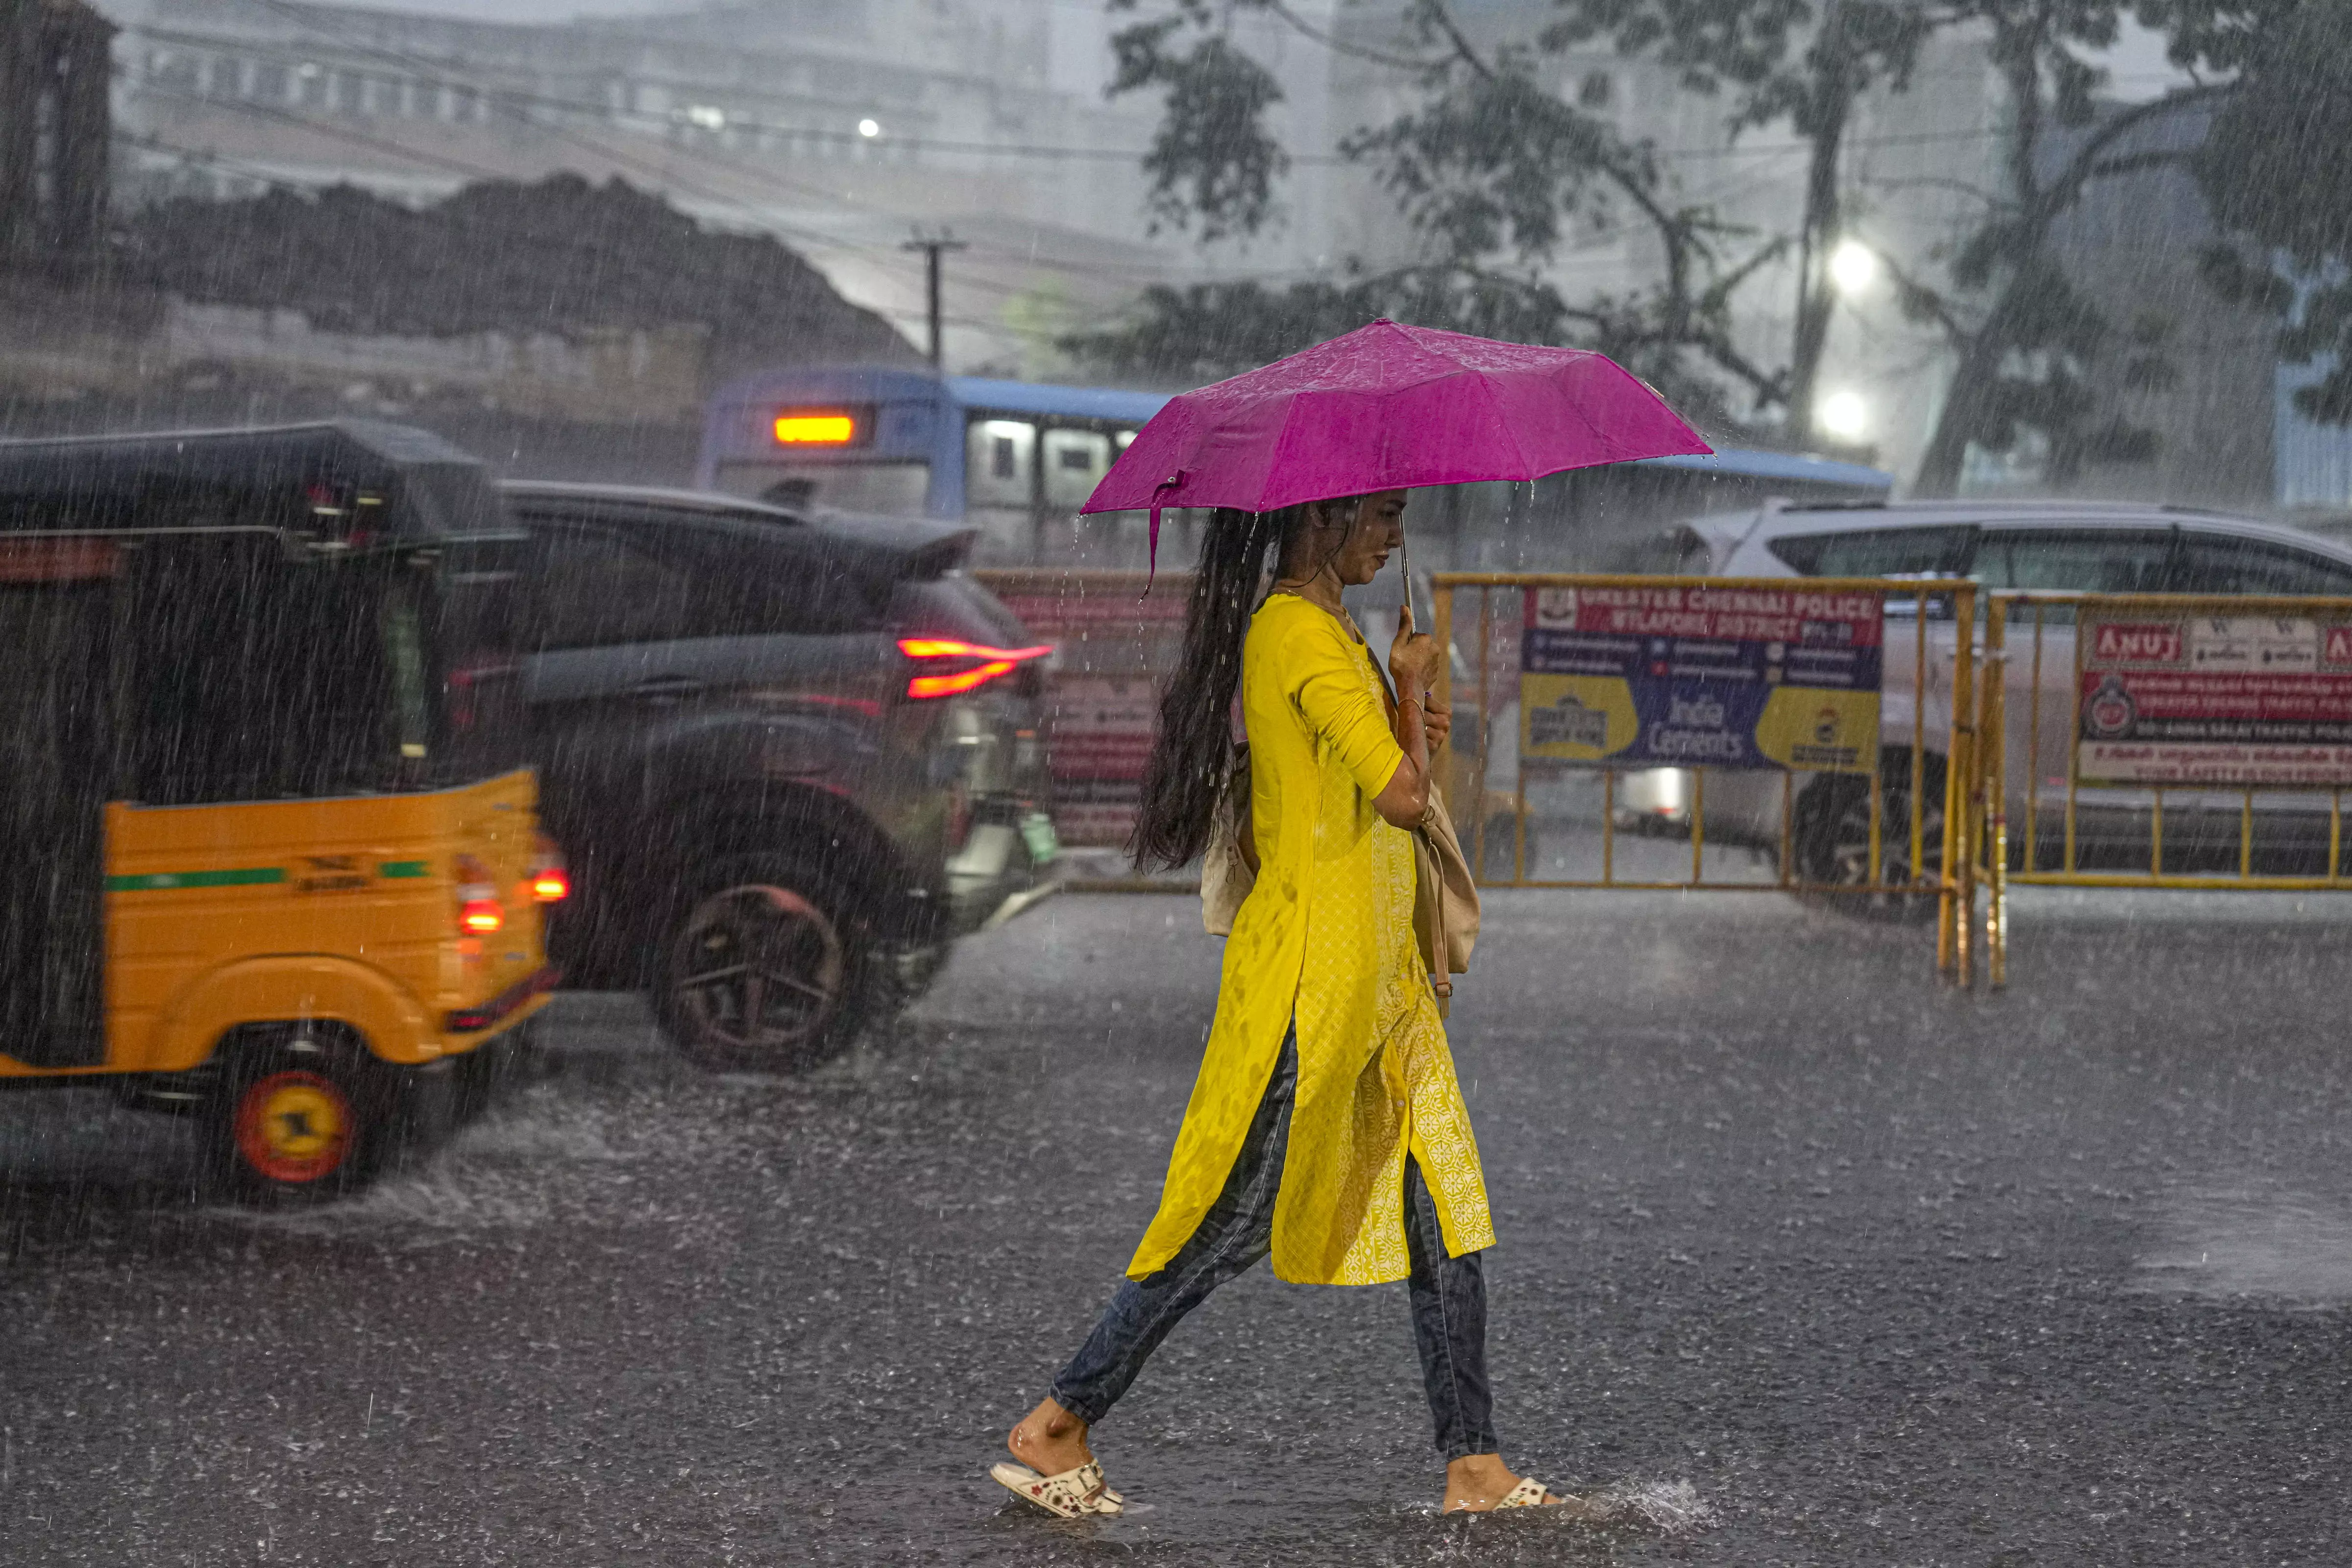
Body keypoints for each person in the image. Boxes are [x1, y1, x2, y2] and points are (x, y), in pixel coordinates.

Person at [992, 490, 1592, 1519]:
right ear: (1326, 519)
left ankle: (1475, 1465)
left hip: (1383, 987)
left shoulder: (1332, 632)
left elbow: (1385, 795)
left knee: (1448, 1208)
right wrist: (1407, 690)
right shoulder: (1299, 637)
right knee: (1229, 1219)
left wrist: (1414, 710)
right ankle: (1060, 1421)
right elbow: (1399, 796)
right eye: (1384, 516)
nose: (1396, 535)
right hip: (1313, 990)